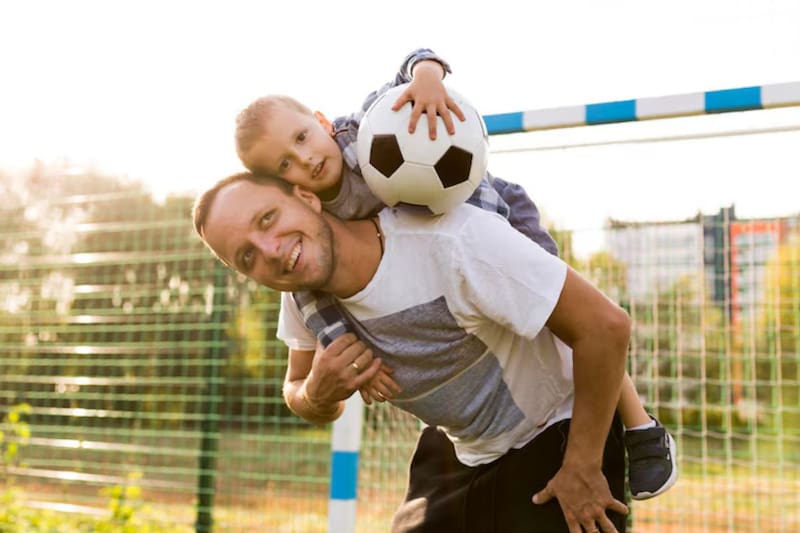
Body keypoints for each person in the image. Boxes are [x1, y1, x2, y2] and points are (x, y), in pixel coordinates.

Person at [232, 48, 676, 501]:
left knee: (561, 317)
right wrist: (345, 354)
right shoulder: (310, 247)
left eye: (303, 138)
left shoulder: (366, 131)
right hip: (467, 439)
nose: (303, 159)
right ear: (284, 187)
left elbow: (414, 62)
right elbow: (314, 307)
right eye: (285, 164)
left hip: (495, 211)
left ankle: (640, 424)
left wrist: (426, 78)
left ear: (323, 121)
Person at [196, 172, 643, 532]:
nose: (269, 251)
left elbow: (605, 327)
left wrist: (582, 465)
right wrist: (317, 392)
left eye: (267, 219)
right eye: (247, 257)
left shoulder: (454, 238)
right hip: (456, 450)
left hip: (555, 434)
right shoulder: (302, 299)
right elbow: (296, 389)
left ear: (306, 197)